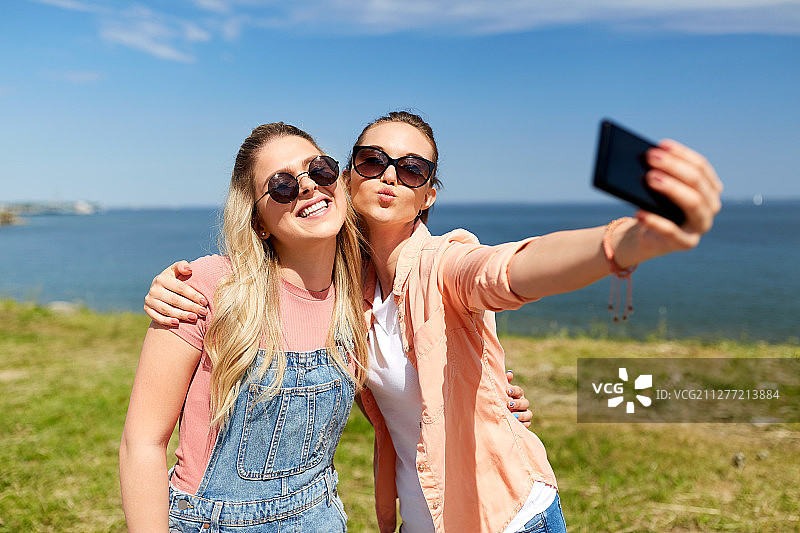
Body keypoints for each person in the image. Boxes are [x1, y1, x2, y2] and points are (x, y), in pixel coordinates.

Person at [145, 111, 723, 532]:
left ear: (428, 195)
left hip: (502, 515)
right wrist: (173, 286)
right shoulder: (347, 287)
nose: (390, 175)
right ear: (347, 178)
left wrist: (625, 241)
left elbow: (507, 270)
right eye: (372, 161)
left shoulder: (446, 264)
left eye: (412, 168)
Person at [119, 122, 371, 532]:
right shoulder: (207, 287)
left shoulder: (359, 296)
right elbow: (142, 444)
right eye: (282, 185)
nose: (307, 186)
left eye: (319, 169)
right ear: (258, 222)